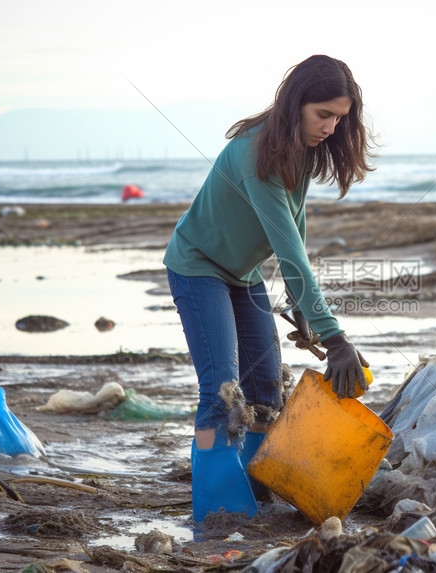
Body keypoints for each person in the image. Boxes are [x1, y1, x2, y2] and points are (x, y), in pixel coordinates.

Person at [163, 55, 375, 521]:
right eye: (324, 114)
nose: (332, 127)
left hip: (243, 274)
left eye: (340, 117)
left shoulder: (298, 147)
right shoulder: (256, 153)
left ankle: (255, 492)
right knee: (222, 390)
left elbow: (294, 230)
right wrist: (335, 339)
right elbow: (291, 252)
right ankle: (220, 509)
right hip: (198, 266)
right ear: (296, 103)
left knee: (265, 393)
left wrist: (303, 308)